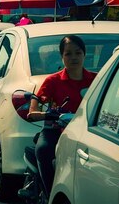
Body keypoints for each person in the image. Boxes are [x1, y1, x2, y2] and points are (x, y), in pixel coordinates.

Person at [25, 35, 97, 198]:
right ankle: (50, 194)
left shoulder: (96, 80)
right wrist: (47, 114)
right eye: (68, 54)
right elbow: (33, 111)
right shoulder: (52, 81)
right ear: (62, 56)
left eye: (78, 53)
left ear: (84, 55)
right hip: (55, 131)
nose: (74, 58)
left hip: (87, 133)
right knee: (43, 150)